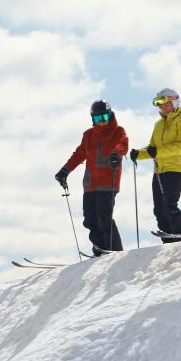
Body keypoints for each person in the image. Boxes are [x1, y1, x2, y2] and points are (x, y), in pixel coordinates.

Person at [55, 100, 127, 256]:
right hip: (90, 185)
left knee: (104, 217)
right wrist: (65, 171)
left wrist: (116, 154)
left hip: (108, 183)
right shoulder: (88, 135)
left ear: (110, 115)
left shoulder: (118, 131)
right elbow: (79, 154)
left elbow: (123, 144)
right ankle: (99, 249)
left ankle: (113, 251)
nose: (101, 122)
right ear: (92, 119)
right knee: (90, 219)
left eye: (104, 118)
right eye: (97, 119)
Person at [130, 88, 181, 241]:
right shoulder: (158, 125)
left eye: (166, 104)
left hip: (176, 169)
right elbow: (153, 147)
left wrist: (157, 152)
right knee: (159, 209)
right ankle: (170, 240)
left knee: (169, 206)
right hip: (159, 171)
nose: (163, 108)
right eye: (160, 105)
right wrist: (139, 154)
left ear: (174, 102)